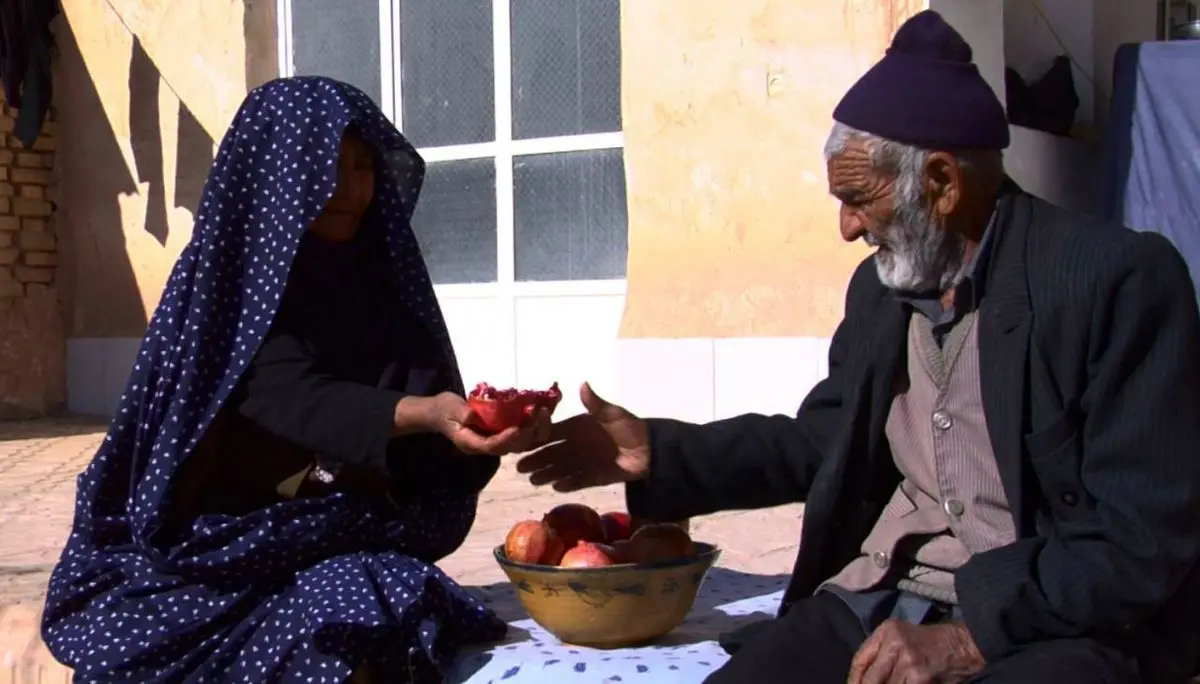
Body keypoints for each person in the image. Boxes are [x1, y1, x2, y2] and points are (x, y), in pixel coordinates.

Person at [518, 11, 1200, 684]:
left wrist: (970, 639)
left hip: (1053, 621)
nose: (847, 228)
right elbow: (822, 443)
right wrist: (657, 453)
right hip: (882, 594)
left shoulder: (1113, 282)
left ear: (941, 183)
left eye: (858, 199)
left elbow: (1139, 542)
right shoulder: (881, 294)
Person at [40, 76, 545, 682]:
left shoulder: (382, 285)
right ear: (274, 174)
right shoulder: (229, 288)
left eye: (362, 166)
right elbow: (285, 393)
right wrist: (427, 414)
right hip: (210, 552)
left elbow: (431, 460)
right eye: (323, 166)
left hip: (333, 539)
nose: (350, 189)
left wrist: (479, 437)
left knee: (386, 596)